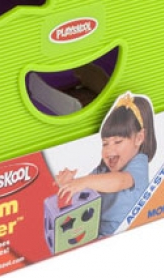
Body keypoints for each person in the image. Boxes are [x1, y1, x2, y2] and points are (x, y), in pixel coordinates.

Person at [55, 92, 157, 236]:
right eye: (105, 143)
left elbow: (120, 181)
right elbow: (85, 191)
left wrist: (83, 181)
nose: (109, 150)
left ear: (139, 138)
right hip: (95, 231)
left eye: (118, 142)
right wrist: (68, 184)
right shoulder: (103, 169)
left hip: (123, 233)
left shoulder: (139, 163)